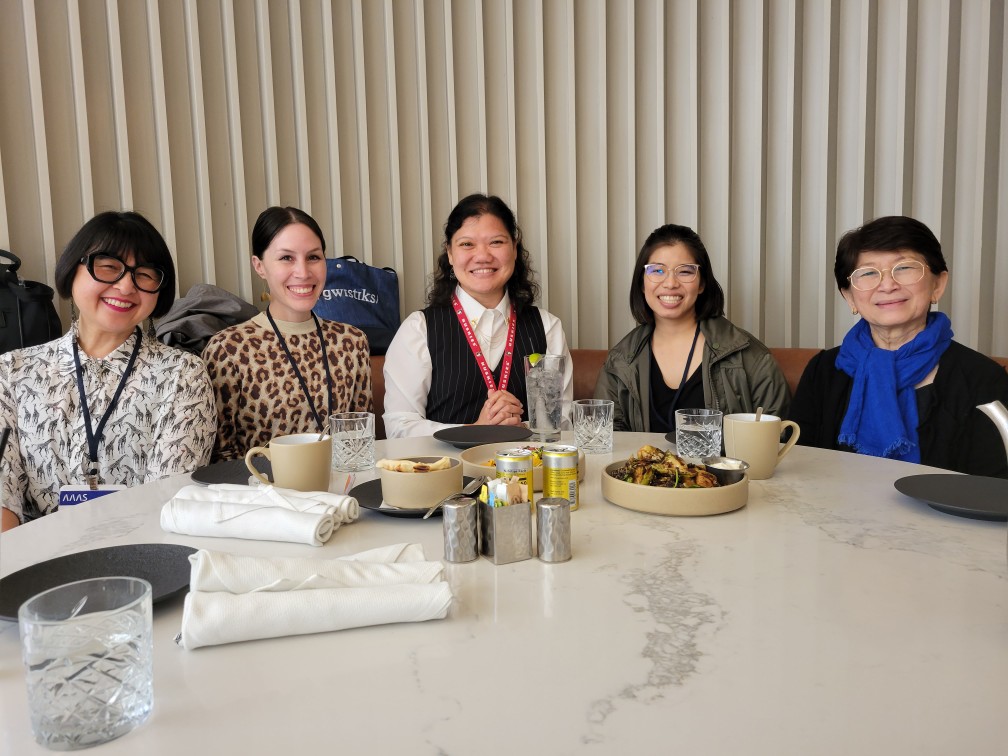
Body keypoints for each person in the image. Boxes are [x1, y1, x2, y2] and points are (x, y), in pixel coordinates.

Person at [0, 211, 216, 530]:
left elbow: (171, 501)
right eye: (108, 266)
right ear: (72, 270)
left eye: (144, 274)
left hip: (142, 563)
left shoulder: (183, 375)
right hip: (35, 567)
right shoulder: (12, 372)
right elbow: (3, 497)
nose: (126, 285)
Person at [791, 215, 1008, 477]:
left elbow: (990, 489)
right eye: (868, 273)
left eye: (904, 268)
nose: (887, 285)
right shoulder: (824, 371)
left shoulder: (982, 379)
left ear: (937, 284)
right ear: (849, 296)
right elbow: (799, 470)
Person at [383, 193, 573, 438]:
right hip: (448, 474)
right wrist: (474, 431)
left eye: (496, 242)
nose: (482, 256)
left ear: (515, 249)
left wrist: (522, 429)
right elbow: (399, 427)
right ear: (450, 253)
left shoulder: (547, 327)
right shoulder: (419, 329)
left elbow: (565, 423)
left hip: (527, 472)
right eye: (466, 244)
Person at [202, 206, 371, 461]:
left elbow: (359, 441)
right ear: (259, 266)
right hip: (261, 494)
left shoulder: (351, 343)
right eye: (286, 258)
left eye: (313, 257)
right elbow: (220, 454)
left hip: (339, 493)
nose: (303, 272)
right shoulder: (229, 349)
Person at [594, 223, 790, 432]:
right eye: (657, 270)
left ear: (702, 283)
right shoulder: (621, 360)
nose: (670, 283)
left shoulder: (749, 357)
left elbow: (778, 438)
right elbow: (606, 439)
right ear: (642, 284)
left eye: (685, 271)